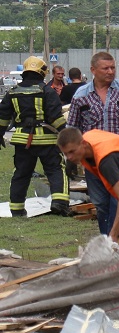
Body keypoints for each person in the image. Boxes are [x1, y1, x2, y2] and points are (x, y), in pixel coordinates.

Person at [67, 52, 119, 236]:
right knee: (101, 205)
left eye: (113, 67)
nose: (110, 72)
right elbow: (73, 129)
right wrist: (71, 159)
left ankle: (117, 244)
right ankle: (107, 241)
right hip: (94, 162)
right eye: (105, 68)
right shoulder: (81, 96)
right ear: (93, 70)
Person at [57, 127, 119, 255]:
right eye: (66, 154)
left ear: (83, 144)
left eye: (72, 152)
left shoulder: (106, 160)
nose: (70, 157)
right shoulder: (88, 140)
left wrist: (113, 235)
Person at [0, 56, 71, 216]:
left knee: (21, 174)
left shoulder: (12, 92)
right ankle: (59, 203)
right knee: (55, 170)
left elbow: (3, 117)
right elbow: (55, 117)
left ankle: (17, 210)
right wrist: (66, 133)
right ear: (42, 72)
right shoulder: (47, 91)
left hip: (22, 141)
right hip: (47, 141)